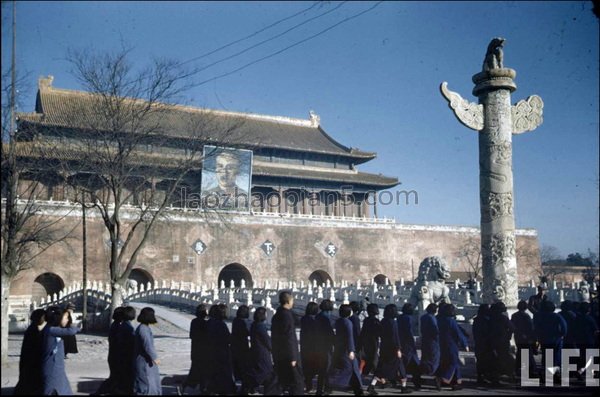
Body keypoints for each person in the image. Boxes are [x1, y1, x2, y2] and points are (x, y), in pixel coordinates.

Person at [40, 305, 81, 395]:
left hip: (57, 367)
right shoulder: (51, 330)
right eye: (66, 317)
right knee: (53, 391)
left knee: (62, 390)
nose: (67, 320)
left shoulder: (52, 329)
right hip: (52, 368)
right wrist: (73, 322)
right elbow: (71, 331)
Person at [373, 304, 411, 394]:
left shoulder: (383, 321)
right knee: (399, 367)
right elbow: (395, 337)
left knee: (382, 367)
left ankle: (372, 385)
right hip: (392, 349)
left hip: (384, 347)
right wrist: (398, 349)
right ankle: (403, 387)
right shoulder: (393, 323)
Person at [271, 291, 304, 395]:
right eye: (292, 300)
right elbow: (289, 338)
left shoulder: (278, 314)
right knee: (297, 382)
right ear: (288, 301)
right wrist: (293, 357)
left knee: (283, 380)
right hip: (288, 355)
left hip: (279, 354)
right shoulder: (287, 316)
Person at [329, 304, 364, 395]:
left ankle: (358, 390)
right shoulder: (348, 323)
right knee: (349, 369)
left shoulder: (339, 321)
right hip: (347, 350)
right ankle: (330, 383)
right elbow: (349, 337)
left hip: (340, 348)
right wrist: (351, 350)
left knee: (353, 369)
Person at [246, 307, 280, 395]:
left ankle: (249, 385)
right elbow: (267, 340)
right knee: (267, 373)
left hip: (256, 351)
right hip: (262, 352)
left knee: (262, 372)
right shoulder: (260, 326)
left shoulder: (254, 324)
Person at [14, 308, 46, 395]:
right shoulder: (33, 331)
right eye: (43, 317)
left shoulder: (33, 329)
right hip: (31, 363)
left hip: (28, 363)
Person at [533, 300, 566, 384]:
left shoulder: (538, 316)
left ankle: (543, 374)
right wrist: (562, 334)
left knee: (546, 357)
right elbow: (564, 326)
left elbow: (535, 328)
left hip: (544, 339)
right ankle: (555, 376)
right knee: (556, 358)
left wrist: (537, 337)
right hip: (555, 339)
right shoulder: (556, 316)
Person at [437, 303, 469, 390]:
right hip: (451, 344)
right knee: (453, 362)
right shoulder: (451, 321)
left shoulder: (439, 320)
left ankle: (457, 382)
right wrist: (465, 344)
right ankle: (443, 379)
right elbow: (458, 333)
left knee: (452, 363)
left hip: (442, 343)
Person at [179, 304, 209, 395]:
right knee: (200, 371)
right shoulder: (204, 323)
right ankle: (189, 386)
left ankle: (202, 388)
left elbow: (191, 336)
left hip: (195, 350)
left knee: (197, 370)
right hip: (203, 351)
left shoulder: (194, 321)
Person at [206, 304, 236, 395]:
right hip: (222, 351)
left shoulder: (210, 322)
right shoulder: (221, 324)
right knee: (224, 373)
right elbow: (228, 338)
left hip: (212, 350)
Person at [94, 307, 124, 395]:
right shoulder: (117, 326)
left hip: (113, 355)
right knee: (114, 378)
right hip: (116, 356)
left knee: (114, 377)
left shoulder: (115, 325)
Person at [133, 307, 161, 395]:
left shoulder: (143, 327)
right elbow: (147, 345)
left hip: (146, 361)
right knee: (146, 386)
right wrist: (155, 357)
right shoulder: (143, 329)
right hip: (144, 361)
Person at [489, 301, 515, 383]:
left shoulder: (491, 318)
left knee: (495, 358)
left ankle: (496, 376)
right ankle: (509, 374)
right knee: (505, 357)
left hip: (494, 341)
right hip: (503, 341)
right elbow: (512, 328)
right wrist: (509, 335)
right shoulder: (504, 318)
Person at [397, 303, 421, 390]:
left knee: (403, 362)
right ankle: (417, 382)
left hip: (401, 342)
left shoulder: (400, 317)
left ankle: (402, 379)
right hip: (408, 343)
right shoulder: (409, 318)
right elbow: (409, 331)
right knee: (414, 363)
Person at [314, 299, 335, 395]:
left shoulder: (318, 316)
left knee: (322, 368)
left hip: (318, 345)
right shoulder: (326, 317)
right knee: (326, 368)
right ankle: (326, 388)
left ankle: (320, 389)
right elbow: (329, 332)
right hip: (326, 346)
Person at [511, 300, 536, 378]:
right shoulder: (526, 316)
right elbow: (530, 328)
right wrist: (532, 337)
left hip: (518, 336)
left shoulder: (514, 315)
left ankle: (517, 369)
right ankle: (528, 371)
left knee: (520, 352)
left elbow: (512, 326)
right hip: (526, 337)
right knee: (527, 353)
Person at [574, 302, 599, 378]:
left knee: (583, 356)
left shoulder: (577, 318)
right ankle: (582, 370)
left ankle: (585, 371)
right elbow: (595, 330)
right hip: (589, 340)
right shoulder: (590, 318)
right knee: (590, 357)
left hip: (580, 340)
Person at [419, 303, 440, 389]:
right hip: (432, 341)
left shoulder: (423, 317)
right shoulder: (432, 318)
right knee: (434, 359)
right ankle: (434, 376)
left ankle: (422, 375)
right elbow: (435, 331)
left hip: (425, 339)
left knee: (425, 358)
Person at [300, 302, 320, 393]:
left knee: (306, 367)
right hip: (313, 347)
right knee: (314, 367)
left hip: (305, 346)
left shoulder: (303, 319)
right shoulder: (315, 320)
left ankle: (308, 385)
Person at [231, 305, 251, 391]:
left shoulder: (235, 320)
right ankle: (244, 387)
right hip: (243, 346)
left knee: (235, 367)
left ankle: (234, 385)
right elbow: (249, 332)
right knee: (244, 367)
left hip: (234, 345)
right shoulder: (246, 322)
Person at [360, 303, 382, 378]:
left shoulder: (366, 320)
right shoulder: (376, 321)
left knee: (369, 360)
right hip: (374, 343)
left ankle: (363, 376)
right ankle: (381, 379)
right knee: (374, 360)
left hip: (366, 343)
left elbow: (363, 332)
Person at [472, 304, 492, 384]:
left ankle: (481, 376)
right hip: (485, 343)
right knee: (484, 360)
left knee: (480, 360)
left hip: (478, 343)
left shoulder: (476, 320)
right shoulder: (486, 320)